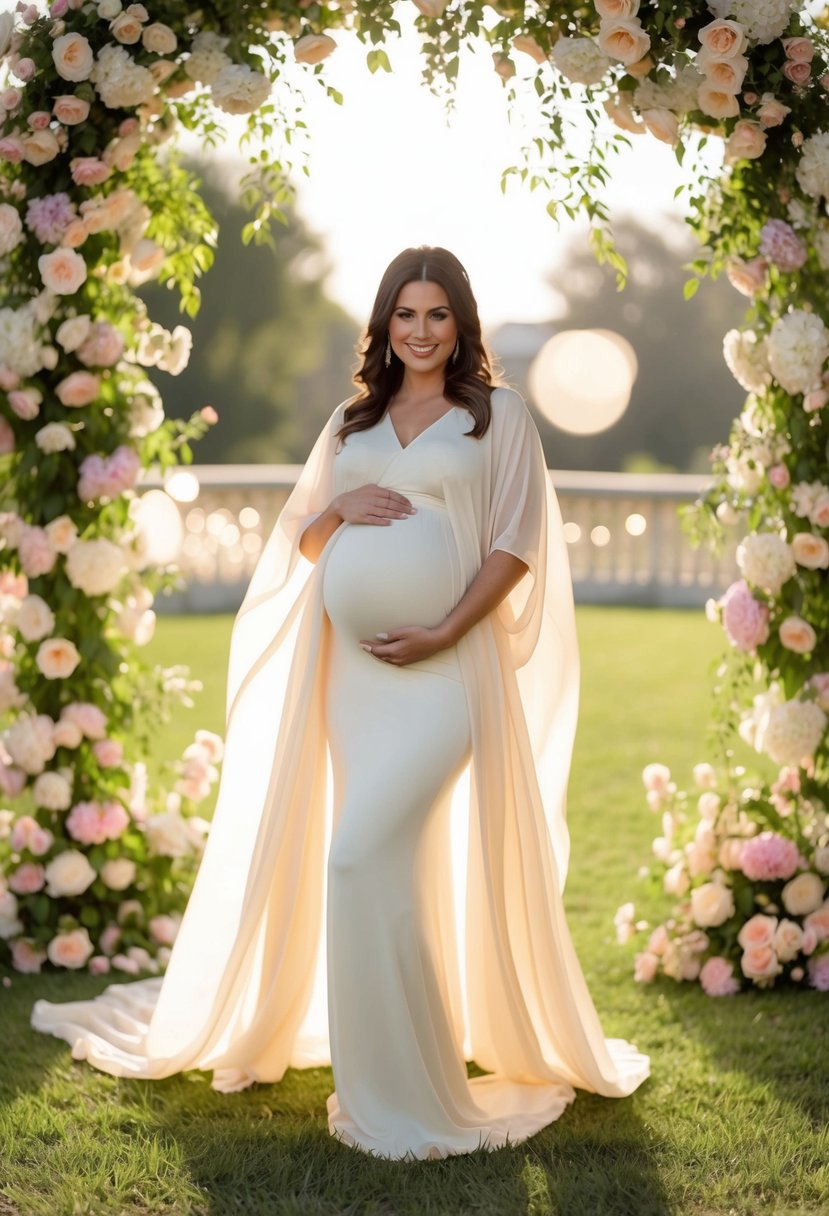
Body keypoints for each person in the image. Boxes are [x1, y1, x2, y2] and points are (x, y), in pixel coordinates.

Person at [31, 245, 649, 1161]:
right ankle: (395, 1070)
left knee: (357, 858)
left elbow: (515, 545)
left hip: (444, 677)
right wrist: (343, 509)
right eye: (406, 314)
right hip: (352, 681)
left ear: (461, 323)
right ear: (385, 324)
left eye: (438, 314)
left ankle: (405, 1095)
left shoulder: (496, 417)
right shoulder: (353, 419)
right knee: (380, 870)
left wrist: (441, 630)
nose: (422, 330)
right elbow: (304, 541)